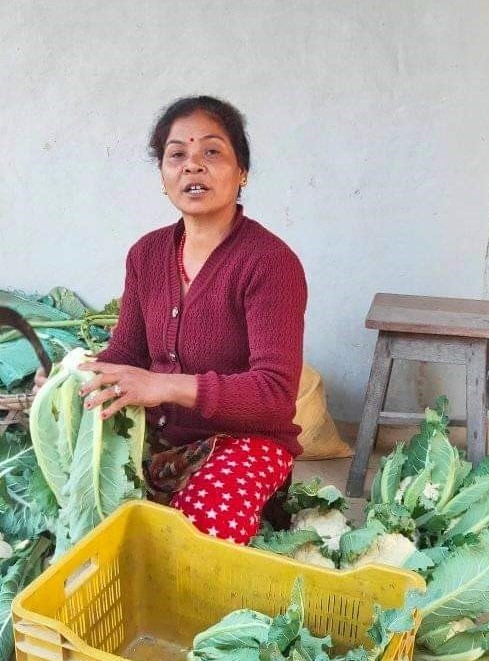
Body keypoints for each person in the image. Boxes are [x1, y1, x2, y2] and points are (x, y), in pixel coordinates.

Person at [35, 96, 307, 544]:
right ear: (163, 175)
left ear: (242, 173)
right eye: (177, 154)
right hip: (158, 435)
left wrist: (164, 386)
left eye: (212, 152)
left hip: (244, 442)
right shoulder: (147, 254)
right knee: (77, 506)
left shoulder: (269, 263)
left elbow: (275, 394)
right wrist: (66, 383)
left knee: (195, 535)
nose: (193, 166)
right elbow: (126, 353)